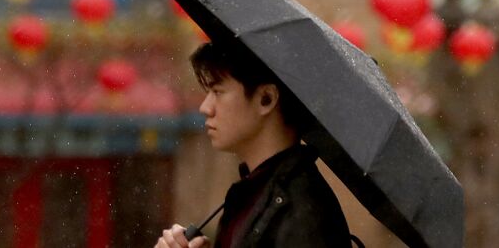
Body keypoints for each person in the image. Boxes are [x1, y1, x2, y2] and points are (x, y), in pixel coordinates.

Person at [155, 40, 363, 248]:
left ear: (266, 98)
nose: (205, 107)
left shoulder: (300, 211)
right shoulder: (254, 192)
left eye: (218, 92)